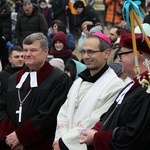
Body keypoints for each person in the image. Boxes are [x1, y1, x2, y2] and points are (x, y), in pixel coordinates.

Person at [53, 32, 125, 150]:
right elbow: (63, 113)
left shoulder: (115, 86)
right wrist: (59, 139)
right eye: (83, 51)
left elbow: (96, 120)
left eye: (91, 52)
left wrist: (65, 143)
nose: (85, 56)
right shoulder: (77, 82)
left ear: (106, 53)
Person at [0, 32, 72, 150]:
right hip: (11, 144)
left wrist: (22, 136)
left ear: (45, 52)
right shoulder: (13, 80)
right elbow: (1, 109)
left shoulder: (58, 79)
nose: (27, 54)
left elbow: (50, 115)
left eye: (33, 50)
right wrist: (11, 135)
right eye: (25, 50)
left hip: (41, 144)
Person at [80, 33, 150, 149]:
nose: (119, 59)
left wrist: (97, 138)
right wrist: (97, 128)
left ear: (137, 56)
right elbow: (110, 114)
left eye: (121, 54)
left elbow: (135, 135)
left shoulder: (146, 90)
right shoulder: (133, 85)